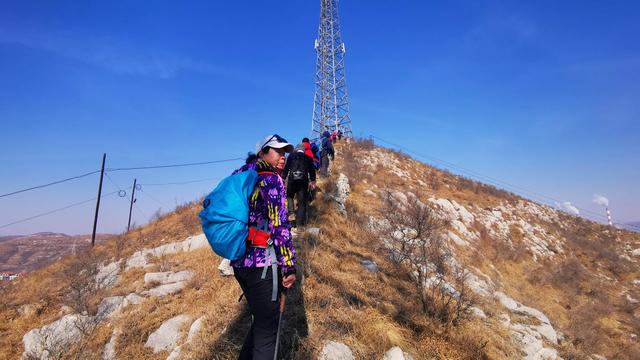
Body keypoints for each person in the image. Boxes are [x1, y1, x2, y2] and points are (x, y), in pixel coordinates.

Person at [231, 134, 297, 360]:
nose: (283, 157)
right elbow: (280, 226)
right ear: (263, 153)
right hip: (263, 264)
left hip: (239, 262)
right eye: (278, 152)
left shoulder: (239, 174)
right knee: (268, 330)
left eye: (285, 152)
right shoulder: (273, 179)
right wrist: (289, 266)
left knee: (260, 321)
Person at [283, 143, 317, 227]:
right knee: (302, 203)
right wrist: (313, 181)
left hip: (292, 181)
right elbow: (312, 170)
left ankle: (291, 215)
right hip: (303, 182)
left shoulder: (291, 156)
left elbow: (287, 167)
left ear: (296, 149)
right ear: (304, 150)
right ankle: (300, 224)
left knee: (289, 196)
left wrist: (283, 178)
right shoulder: (308, 158)